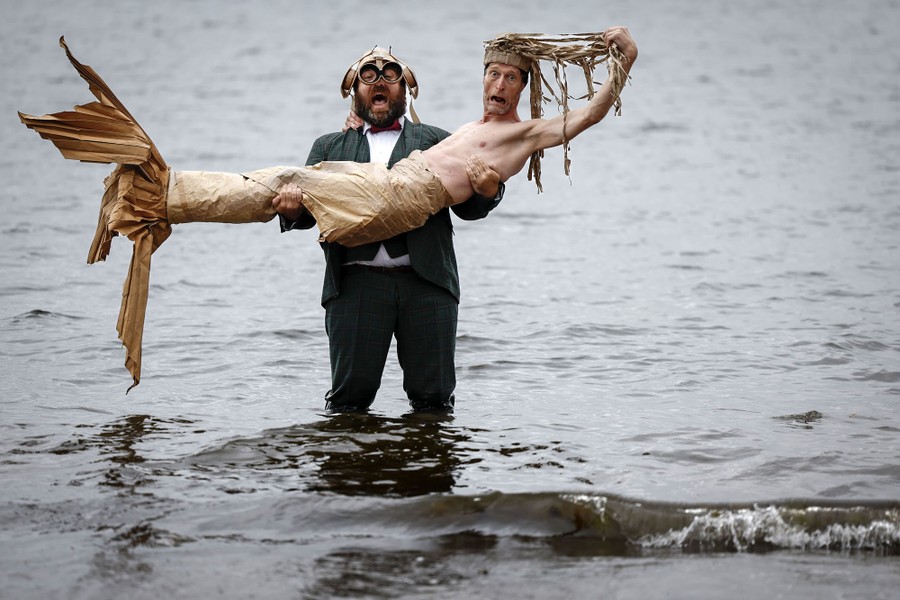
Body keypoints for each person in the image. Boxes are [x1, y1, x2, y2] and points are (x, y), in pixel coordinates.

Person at [277, 46, 506, 414]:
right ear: (355, 90)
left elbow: (468, 208)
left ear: (406, 89)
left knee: (434, 399)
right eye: (368, 75)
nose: (379, 81)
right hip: (355, 285)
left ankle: (428, 467)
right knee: (349, 399)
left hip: (427, 283)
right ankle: (349, 466)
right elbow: (308, 213)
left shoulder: (438, 141)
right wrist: (289, 211)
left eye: (390, 75)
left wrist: (489, 191)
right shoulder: (330, 146)